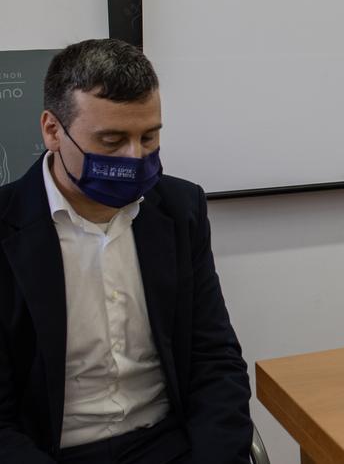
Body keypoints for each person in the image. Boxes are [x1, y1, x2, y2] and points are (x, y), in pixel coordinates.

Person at [0, 39, 251, 463]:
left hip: (169, 443)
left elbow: (215, 360)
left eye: (148, 137)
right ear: (52, 131)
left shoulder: (180, 209)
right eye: (112, 140)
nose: (135, 158)